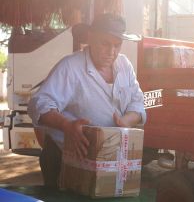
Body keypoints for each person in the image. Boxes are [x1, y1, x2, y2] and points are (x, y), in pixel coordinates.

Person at [28, 13, 146, 188]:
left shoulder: (124, 66)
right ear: (91, 37)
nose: (111, 52)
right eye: (105, 43)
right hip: (66, 160)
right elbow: (39, 105)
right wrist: (67, 126)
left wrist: (126, 121)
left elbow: (137, 101)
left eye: (117, 45)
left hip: (108, 159)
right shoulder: (71, 67)